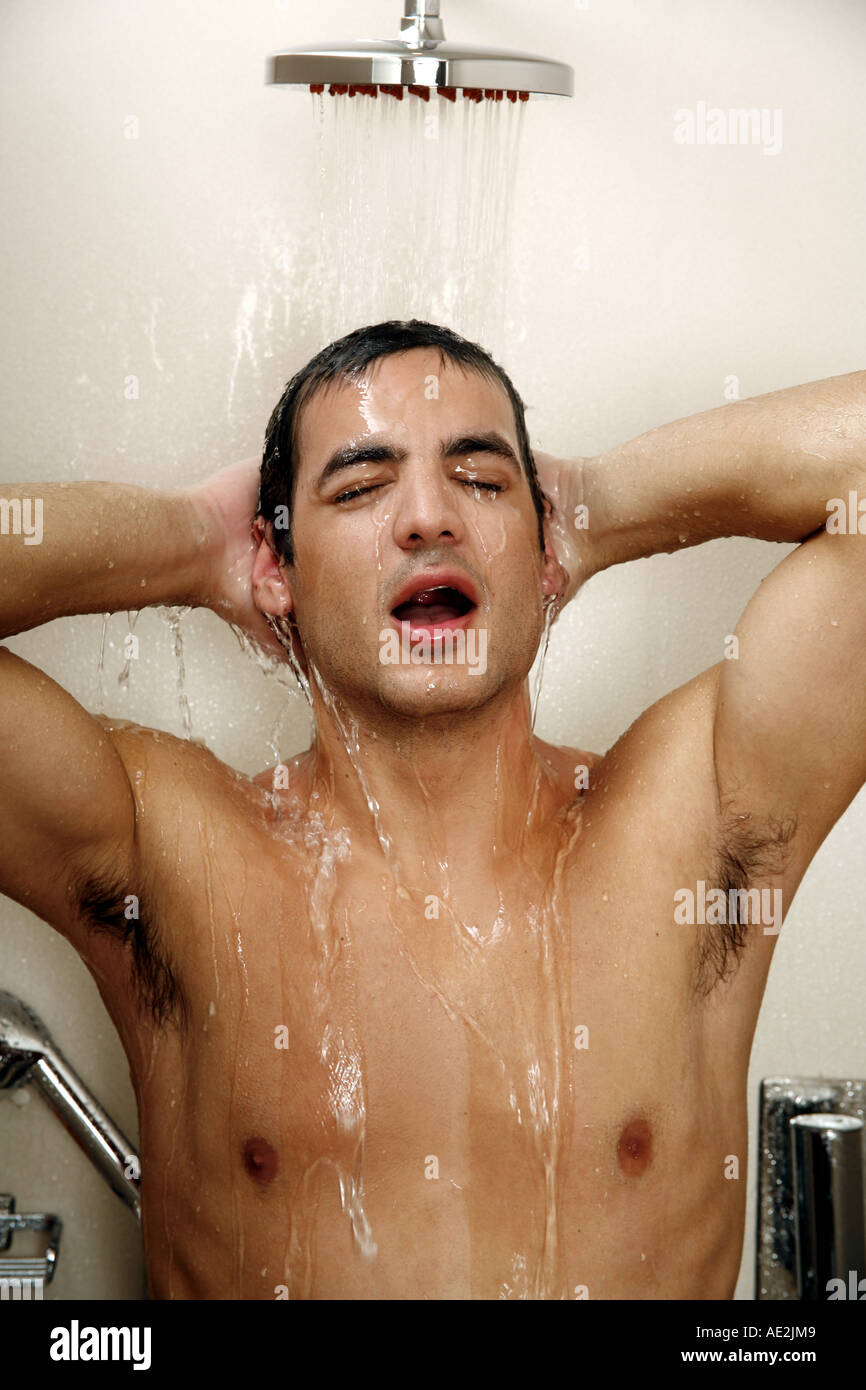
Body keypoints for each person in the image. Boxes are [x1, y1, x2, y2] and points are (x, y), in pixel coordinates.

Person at [1, 319, 863, 1300]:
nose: (426, 518)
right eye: (361, 487)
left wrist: (599, 509)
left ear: (542, 553)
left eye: (481, 481)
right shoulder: (170, 854)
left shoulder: (691, 820)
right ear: (274, 567)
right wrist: (194, 542)